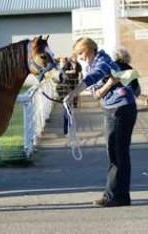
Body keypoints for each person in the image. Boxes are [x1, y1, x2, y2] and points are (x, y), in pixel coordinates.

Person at [65, 37, 137, 207]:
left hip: (121, 108)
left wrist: (74, 93)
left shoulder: (103, 61)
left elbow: (94, 77)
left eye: (82, 53)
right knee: (116, 153)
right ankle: (119, 196)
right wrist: (109, 84)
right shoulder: (89, 66)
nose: (80, 57)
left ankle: (114, 196)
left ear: (91, 49)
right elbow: (96, 95)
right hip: (112, 108)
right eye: (78, 54)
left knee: (118, 153)